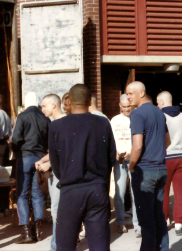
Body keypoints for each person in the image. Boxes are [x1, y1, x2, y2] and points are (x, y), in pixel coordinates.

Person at [49, 84, 116, 251]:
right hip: (97, 188)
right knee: (100, 245)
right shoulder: (103, 123)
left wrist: (65, 177)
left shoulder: (57, 126)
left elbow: (55, 162)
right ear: (89, 101)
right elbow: (110, 158)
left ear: (69, 101)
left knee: (65, 245)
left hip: (70, 189)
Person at [126, 81, 169, 251]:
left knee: (146, 220)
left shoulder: (137, 114)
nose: (128, 97)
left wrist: (131, 165)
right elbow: (167, 141)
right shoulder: (159, 113)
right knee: (158, 215)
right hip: (161, 168)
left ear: (141, 93)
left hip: (145, 170)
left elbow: (137, 145)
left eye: (130, 93)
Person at [12, 92, 50, 244]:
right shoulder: (45, 118)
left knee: (21, 194)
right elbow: (49, 139)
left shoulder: (22, 117)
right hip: (40, 158)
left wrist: (16, 152)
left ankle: (27, 231)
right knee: (37, 192)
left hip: (25, 157)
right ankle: (38, 230)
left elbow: (16, 139)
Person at [36, 93, 65, 251]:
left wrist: (49, 164)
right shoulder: (55, 123)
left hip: (61, 174)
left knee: (57, 210)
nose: (43, 109)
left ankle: (57, 246)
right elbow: (56, 150)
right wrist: (44, 160)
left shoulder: (60, 124)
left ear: (54, 105)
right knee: (56, 210)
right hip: (57, 172)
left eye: (45, 106)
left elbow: (65, 151)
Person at [157, 91, 182, 236]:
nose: (157, 105)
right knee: (179, 190)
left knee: (164, 190)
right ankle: (179, 224)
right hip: (181, 155)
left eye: (158, 102)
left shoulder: (161, 116)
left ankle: (165, 219)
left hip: (167, 156)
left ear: (162, 102)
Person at [110, 94, 140, 237]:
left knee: (135, 191)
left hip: (133, 157)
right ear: (120, 106)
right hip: (119, 159)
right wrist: (115, 153)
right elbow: (111, 139)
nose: (127, 109)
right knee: (120, 191)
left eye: (129, 106)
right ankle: (120, 222)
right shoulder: (115, 120)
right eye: (124, 107)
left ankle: (137, 223)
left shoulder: (136, 117)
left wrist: (131, 153)